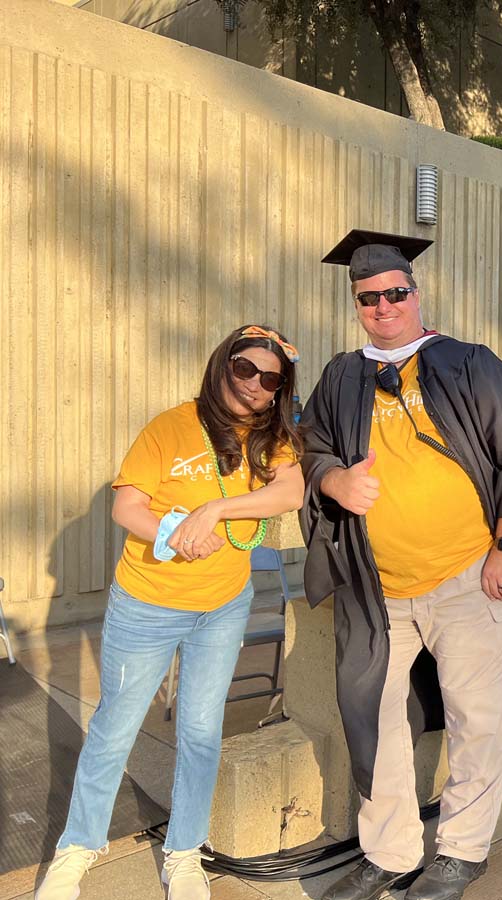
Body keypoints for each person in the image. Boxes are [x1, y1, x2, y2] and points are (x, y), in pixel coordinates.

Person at [301, 230, 502, 900]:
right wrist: (334, 482)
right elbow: (308, 446)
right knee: (377, 715)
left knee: (475, 719)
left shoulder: (466, 363)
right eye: (369, 298)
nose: (383, 306)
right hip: (379, 592)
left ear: (415, 293)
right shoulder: (341, 376)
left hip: (468, 579)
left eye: (395, 293)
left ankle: (460, 849)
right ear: (356, 304)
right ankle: (390, 852)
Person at [36, 325, 304, 900]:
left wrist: (214, 510)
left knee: (201, 732)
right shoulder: (170, 426)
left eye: (270, 378)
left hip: (222, 607)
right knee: (115, 728)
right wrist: (175, 531)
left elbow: (290, 493)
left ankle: (184, 851)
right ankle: (77, 847)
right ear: (222, 366)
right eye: (244, 369)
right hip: (147, 606)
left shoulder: (272, 437)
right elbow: (126, 505)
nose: (254, 385)